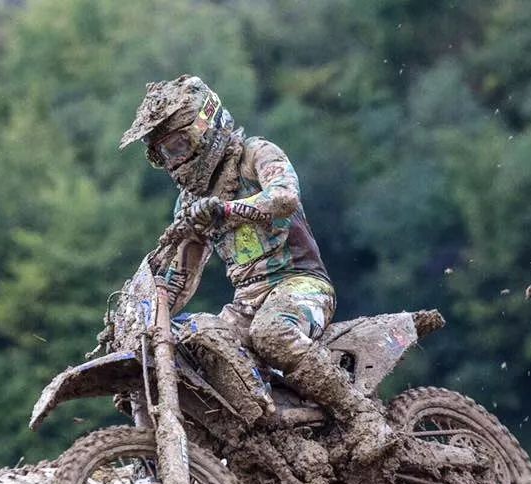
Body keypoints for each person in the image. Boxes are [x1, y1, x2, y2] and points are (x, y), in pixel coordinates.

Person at [119, 75, 393, 464]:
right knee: (197, 347)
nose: (173, 161)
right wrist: (143, 321)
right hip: (247, 303)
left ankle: (363, 417)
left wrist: (227, 209)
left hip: (301, 284)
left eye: (177, 146)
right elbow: (182, 276)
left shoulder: (255, 154)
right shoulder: (190, 203)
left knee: (272, 333)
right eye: (162, 154)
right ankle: (234, 449)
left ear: (204, 126)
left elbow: (284, 197)